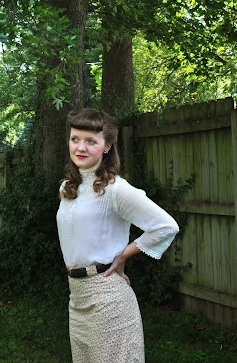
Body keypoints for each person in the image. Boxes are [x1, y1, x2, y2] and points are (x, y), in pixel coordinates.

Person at [56, 108, 179, 363]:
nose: (80, 147)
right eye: (75, 139)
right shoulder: (68, 188)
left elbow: (166, 226)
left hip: (109, 301)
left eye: (91, 141)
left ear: (107, 146)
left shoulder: (115, 189)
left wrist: (124, 254)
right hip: (76, 299)